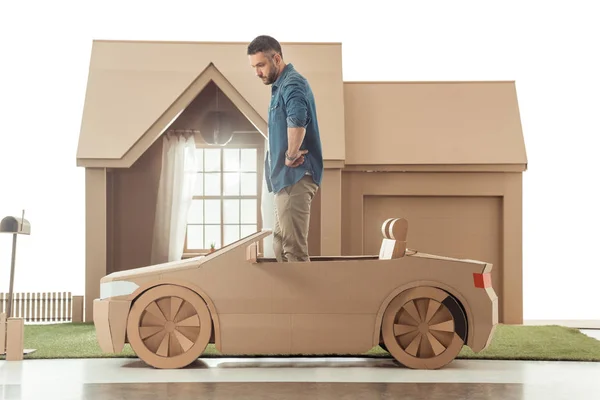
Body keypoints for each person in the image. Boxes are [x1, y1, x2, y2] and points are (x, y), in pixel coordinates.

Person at [247, 35, 323, 262]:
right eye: (254, 67)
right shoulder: (279, 86)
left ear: (277, 58)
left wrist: (290, 155)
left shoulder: (292, 83)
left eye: (261, 65)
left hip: (295, 177)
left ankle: (306, 300)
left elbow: (298, 119)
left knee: (294, 252)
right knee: (280, 248)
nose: (257, 72)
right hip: (285, 180)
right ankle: (286, 299)